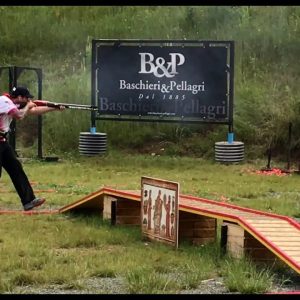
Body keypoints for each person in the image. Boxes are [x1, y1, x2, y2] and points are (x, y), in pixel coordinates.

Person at [0, 86, 64, 211]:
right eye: (27, 98)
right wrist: (28, 106)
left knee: (16, 169)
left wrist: (54, 107)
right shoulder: (4, 101)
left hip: (2, 141)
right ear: (19, 97)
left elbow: (34, 110)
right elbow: (19, 115)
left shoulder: (13, 103)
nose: (28, 100)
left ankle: (29, 201)